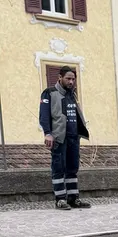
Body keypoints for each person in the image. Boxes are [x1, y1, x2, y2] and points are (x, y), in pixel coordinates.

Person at [39, 65, 90, 210]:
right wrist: (47, 133)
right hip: (58, 137)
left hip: (73, 137)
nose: (71, 82)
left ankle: (73, 198)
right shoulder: (49, 93)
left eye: (73, 79)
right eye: (68, 78)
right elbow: (44, 115)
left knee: (72, 168)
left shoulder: (71, 94)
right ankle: (60, 200)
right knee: (58, 168)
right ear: (60, 78)